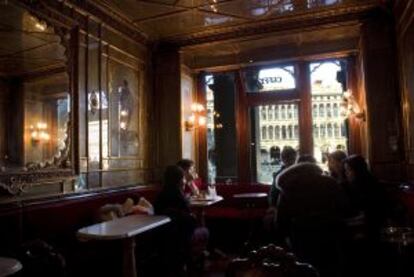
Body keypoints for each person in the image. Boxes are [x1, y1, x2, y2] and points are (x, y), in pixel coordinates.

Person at [275, 157, 349, 277]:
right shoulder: (329, 182)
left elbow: (281, 219)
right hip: (329, 232)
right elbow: (344, 207)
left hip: (301, 235)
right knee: (331, 268)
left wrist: (285, 237)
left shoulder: (288, 187)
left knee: (304, 268)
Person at [154, 165, 197, 276]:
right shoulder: (179, 196)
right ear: (179, 180)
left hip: (163, 238)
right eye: (183, 178)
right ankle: (193, 263)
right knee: (204, 231)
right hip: (183, 236)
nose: (184, 180)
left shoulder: (159, 196)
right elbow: (190, 219)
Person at [343, 155, 388, 237]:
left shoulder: (370, 186)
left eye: (348, 170)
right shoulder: (353, 184)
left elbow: (372, 214)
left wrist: (347, 222)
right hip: (364, 223)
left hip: (373, 227)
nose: (346, 173)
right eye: (345, 170)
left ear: (358, 170)